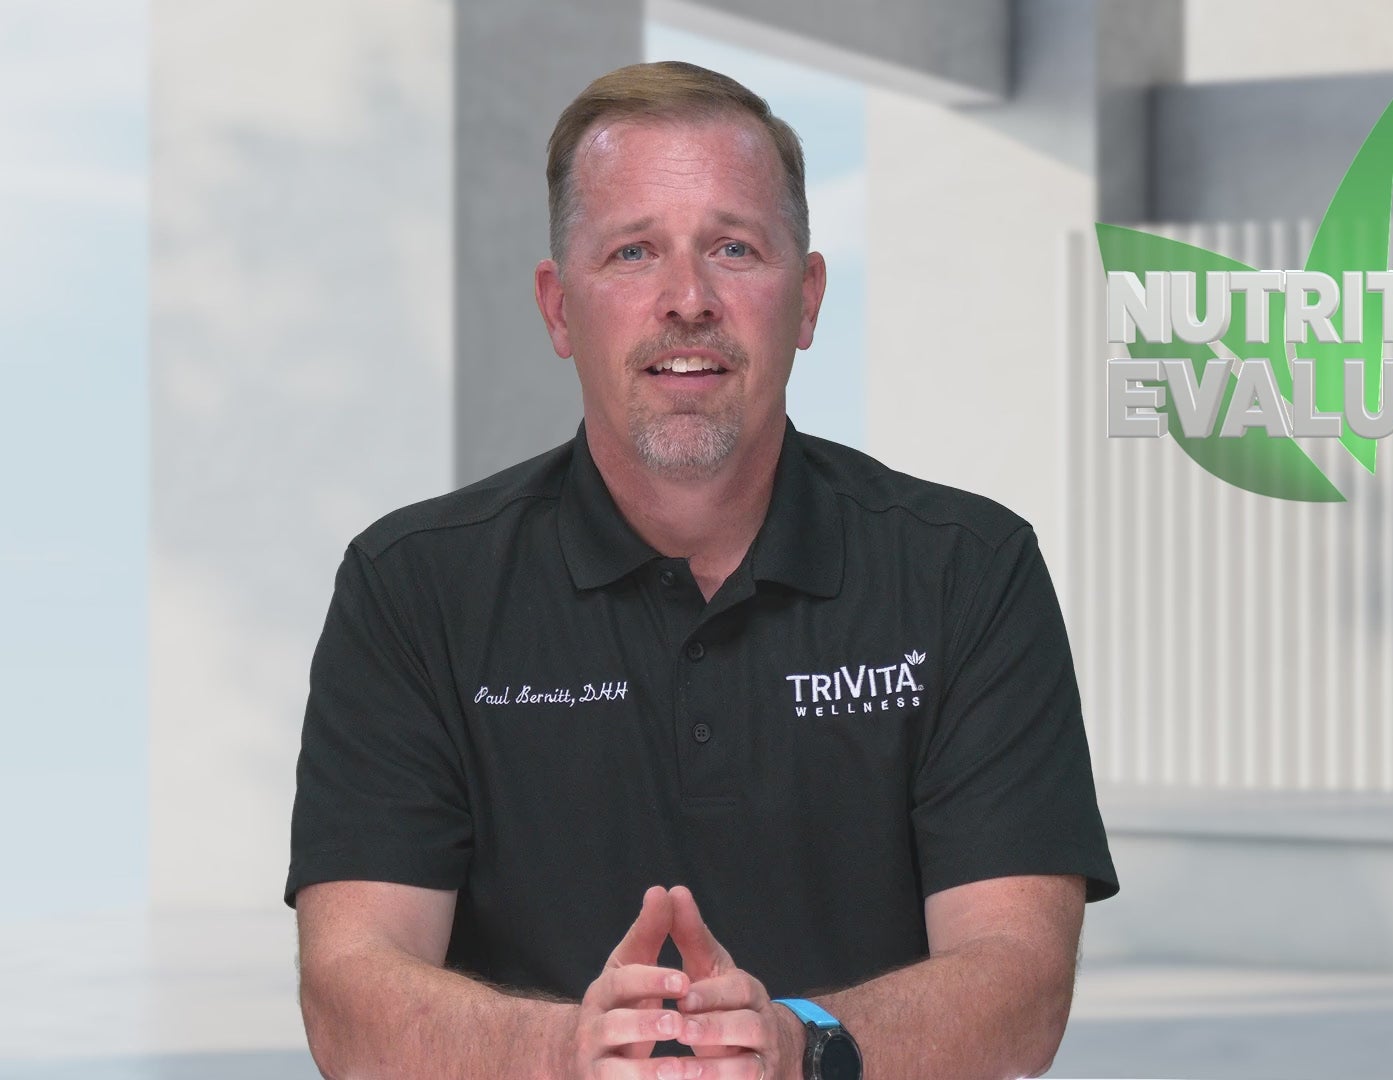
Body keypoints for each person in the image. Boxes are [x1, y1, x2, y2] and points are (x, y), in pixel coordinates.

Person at [284, 60, 1118, 1080]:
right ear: (558, 308)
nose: (688, 300)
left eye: (734, 248)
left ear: (806, 299)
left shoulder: (968, 572)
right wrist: (570, 1050)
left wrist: (794, 1043)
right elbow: (347, 992)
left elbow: (1022, 982)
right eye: (633, 252)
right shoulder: (412, 588)